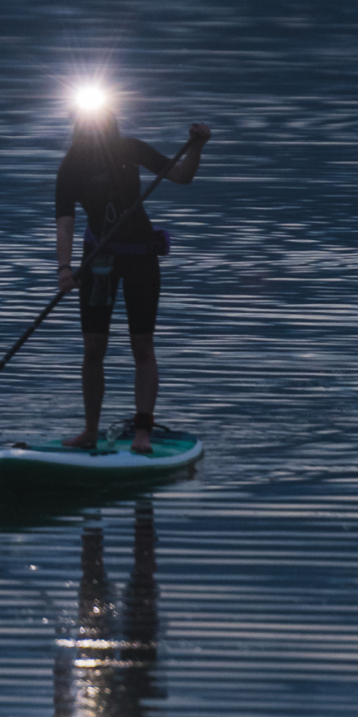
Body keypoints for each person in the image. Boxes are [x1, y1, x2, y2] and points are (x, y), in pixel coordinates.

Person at [55, 86, 210, 455]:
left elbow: (182, 176)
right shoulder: (71, 165)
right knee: (94, 347)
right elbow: (64, 223)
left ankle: (142, 432)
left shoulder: (131, 149)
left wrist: (197, 146)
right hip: (98, 262)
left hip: (140, 257)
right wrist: (64, 268)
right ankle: (90, 431)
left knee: (142, 345)